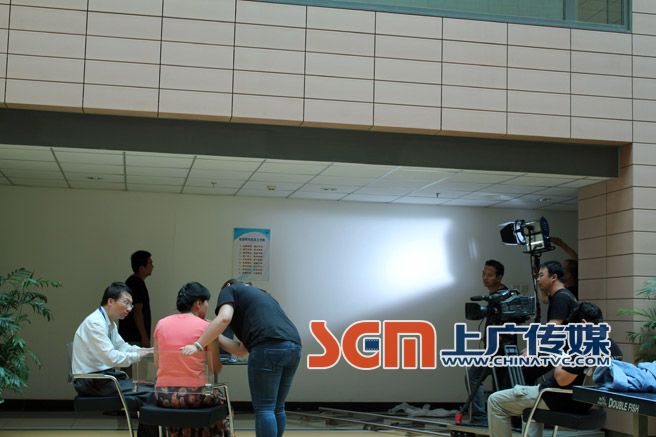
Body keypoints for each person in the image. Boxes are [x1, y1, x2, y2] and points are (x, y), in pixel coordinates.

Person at [181, 280, 302, 437]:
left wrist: (198, 345)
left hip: (267, 346)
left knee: (265, 408)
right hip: (294, 346)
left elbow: (224, 318)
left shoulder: (230, 290)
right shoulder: (262, 298)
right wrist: (213, 332)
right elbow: (241, 350)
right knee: (278, 407)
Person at [487, 302, 621, 437]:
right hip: (585, 403)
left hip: (555, 397)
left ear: (583, 323)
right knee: (530, 408)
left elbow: (562, 379)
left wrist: (559, 356)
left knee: (495, 401)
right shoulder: (612, 346)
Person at [153, 282, 229, 437]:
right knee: (222, 403)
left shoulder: (161, 324)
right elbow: (215, 369)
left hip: (163, 395)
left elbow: (157, 363)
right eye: (207, 302)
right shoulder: (207, 328)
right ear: (198, 303)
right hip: (194, 395)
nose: (207, 306)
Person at [71, 282, 152, 396]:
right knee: (142, 390)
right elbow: (111, 358)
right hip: (90, 380)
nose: (129, 309)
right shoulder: (95, 323)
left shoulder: (109, 323)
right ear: (110, 301)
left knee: (143, 387)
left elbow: (121, 346)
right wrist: (138, 355)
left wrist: (142, 350)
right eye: (126, 303)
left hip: (102, 376)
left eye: (131, 305)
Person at [466, 259, 509, 425]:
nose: (485, 277)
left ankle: (480, 417)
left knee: (473, 376)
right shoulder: (494, 295)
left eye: (489, 275)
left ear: (499, 277)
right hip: (494, 348)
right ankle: (494, 418)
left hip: (499, 349)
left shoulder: (504, 296)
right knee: (499, 384)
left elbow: (508, 321)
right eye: (484, 274)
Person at [119, 250, 153, 347]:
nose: (152, 266)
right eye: (150, 263)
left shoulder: (133, 282)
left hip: (131, 337)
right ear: (141, 268)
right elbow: (137, 312)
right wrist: (144, 337)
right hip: (134, 338)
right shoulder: (136, 284)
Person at [537, 260, 577, 325]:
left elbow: (553, 327)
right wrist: (540, 285)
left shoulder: (561, 298)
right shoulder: (562, 294)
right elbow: (545, 300)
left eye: (541, 275)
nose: (538, 279)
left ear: (553, 277)